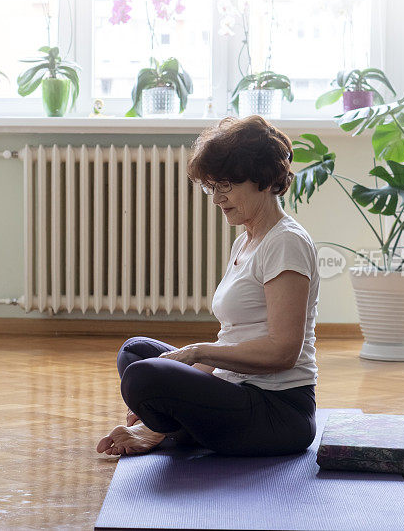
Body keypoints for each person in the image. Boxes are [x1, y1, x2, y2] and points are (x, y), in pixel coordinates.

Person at [96, 115, 320, 457]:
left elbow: (283, 352)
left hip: (277, 411)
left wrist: (197, 351)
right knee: (136, 352)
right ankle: (175, 426)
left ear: (262, 178)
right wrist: (185, 368)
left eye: (226, 185)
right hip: (234, 387)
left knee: (144, 379)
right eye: (211, 187)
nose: (217, 198)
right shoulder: (246, 240)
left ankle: (163, 427)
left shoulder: (285, 242)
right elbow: (234, 340)